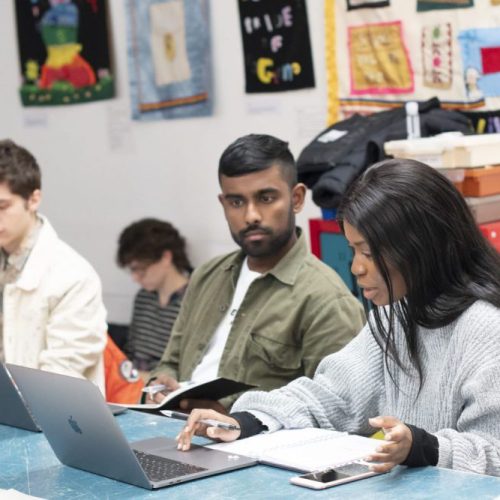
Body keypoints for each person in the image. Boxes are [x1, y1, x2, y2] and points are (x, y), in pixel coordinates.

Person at [178, 158, 500, 477]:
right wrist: (247, 421)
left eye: (370, 254)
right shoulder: (395, 316)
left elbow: (494, 453)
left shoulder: (486, 327)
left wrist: (425, 447)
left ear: (421, 247)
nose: (356, 268)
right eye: (353, 250)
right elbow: (329, 397)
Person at [147, 134, 365, 411]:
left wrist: (236, 418)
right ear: (223, 204)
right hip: (173, 429)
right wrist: (158, 385)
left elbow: (339, 412)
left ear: (296, 199)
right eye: (236, 202)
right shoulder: (207, 275)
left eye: (265, 198)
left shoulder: (326, 299)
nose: (251, 216)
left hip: (247, 446)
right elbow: (170, 362)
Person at [0, 139, 107, 391]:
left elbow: (56, 379)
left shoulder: (73, 276)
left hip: (51, 420)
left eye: (3, 206)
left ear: (34, 199)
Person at [117, 218, 192, 378]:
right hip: (132, 383)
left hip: (164, 387)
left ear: (166, 257)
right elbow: (130, 351)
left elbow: (188, 366)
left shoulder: (195, 300)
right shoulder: (144, 297)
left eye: (141, 270)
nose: (136, 278)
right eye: (132, 270)